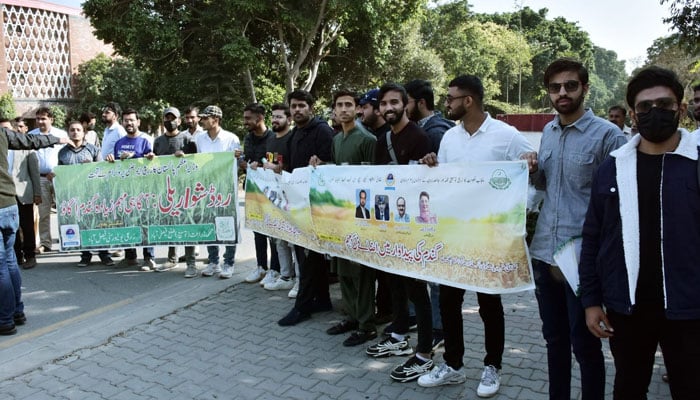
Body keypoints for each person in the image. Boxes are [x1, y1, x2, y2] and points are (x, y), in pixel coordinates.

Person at [580, 66, 700, 400]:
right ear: (633, 114)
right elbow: (593, 237)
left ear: (681, 109)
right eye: (645, 107)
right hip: (628, 308)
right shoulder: (613, 167)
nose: (655, 112)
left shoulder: (695, 162)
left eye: (664, 104)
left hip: (690, 309)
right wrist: (591, 301)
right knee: (629, 387)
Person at [417, 74, 536, 397]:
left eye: (451, 98)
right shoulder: (450, 138)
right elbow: (445, 179)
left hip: (489, 236)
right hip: (455, 234)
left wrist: (529, 164)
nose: (446, 103)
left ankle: (492, 366)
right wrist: (432, 163)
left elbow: (532, 171)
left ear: (468, 101)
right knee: (449, 300)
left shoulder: (506, 135)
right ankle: (453, 365)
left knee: (488, 303)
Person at [528, 58, 627, 400]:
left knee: (584, 347)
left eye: (570, 85)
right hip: (544, 253)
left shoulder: (608, 136)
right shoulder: (548, 132)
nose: (562, 93)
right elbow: (545, 185)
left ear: (585, 88)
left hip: (582, 262)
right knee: (554, 341)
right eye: (555, 88)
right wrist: (532, 170)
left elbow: (617, 208)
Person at [364, 82, 434, 383]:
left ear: (405, 105)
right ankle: (398, 332)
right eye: (384, 103)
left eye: (394, 102)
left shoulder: (420, 136)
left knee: (418, 290)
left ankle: (425, 351)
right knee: (394, 281)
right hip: (390, 225)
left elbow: (430, 183)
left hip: (415, 228)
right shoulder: (383, 139)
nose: (388, 107)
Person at [310, 89, 378, 347]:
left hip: (361, 218)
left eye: (349, 104)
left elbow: (373, 181)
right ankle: (351, 317)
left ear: (358, 108)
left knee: (362, 274)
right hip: (341, 216)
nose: (344, 109)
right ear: (334, 111)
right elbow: (337, 174)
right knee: (344, 271)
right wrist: (321, 165)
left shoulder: (367, 139)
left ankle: (367, 325)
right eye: (339, 105)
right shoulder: (337, 140)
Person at [1, 123, 67, 335]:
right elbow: (29, 140)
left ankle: (5, 319)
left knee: (3, 264)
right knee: (10, 260)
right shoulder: (2, 133)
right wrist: (55, 139)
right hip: (10, 204)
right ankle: (17, 312)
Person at [278, 90, 334, 326]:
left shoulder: (323, 131)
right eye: (294, 106)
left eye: (302, 105)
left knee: (309, 257)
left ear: (311, 107)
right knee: (309, 256)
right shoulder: (293, 135)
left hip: (319, 206)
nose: (297, 110)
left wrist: (322, 165)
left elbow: (334, 164)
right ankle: (321, 300)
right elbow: (289, 168)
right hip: (299, 205)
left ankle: (302, 307)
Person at [146, 107, 197, 277]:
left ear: (179, 120)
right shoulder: (158, 141)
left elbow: (197, 162)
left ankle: (191, 263)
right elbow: (156, 164)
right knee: (170, 224)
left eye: (173, 118)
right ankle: (172, 258)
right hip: (165, 189)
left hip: (185, 190)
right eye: (166, 118)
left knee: (187, 225)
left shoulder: (188, 139)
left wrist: (185, 156)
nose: (170, 121)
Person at [253, 103, 298, 295]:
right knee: (279, 238)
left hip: (292, 196)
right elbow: (266, 159)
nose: (275, 120)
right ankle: (286, 276)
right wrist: (260, 164)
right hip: (274, 197)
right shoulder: (271, 139)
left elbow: (293, 166)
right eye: (273, 116)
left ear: (289, 119)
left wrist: (280, 168)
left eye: (280, 117)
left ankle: (299, 280)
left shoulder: (292, 138)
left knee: (295, 242)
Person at [57, 121, 114, 267]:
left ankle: (104, 254)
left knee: (98, 225)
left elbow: (101, 171)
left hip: (92, 194)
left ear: (84, 132)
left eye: (78, 130)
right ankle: (85, 255)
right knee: (81, 225)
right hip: (75, 195)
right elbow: (61, 174)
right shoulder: (63, 152)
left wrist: (91, 166)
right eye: (72, 130)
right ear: (68, 132)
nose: (75, 132)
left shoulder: (93, 150)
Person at [105, 108, 156, 270]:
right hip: (125, 190)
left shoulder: (145, 140)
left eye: (132, 120)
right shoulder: (119, 143)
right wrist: (111, 159)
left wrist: (150, 158)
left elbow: (155, 163)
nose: (129, 123)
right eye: (126, 120)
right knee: (127, 222)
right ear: (123, 122)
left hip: (143, 189)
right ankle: (130, 256)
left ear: (138, 122)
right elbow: (116, 166)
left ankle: (149, 257)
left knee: (146, 223)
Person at [193, 105, 240, 279]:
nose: (202, 121)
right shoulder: (200, 139)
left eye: (205, 118)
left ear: (216, 119)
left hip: (225, 189)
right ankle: (213, 261)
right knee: (209, 225)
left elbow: (236, 163)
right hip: (206, 189)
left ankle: (229, 262)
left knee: (227, 225)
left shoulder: (231, 138)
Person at [238, 103, 280, 286]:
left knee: (274, 232)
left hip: (271, 191)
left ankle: (276, 269)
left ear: (260, 118)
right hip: (252, 188)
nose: (245, 121)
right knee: (258, 229)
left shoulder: (273, 138)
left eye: (248, 118)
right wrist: (241, 161)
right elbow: (247, 161)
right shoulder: (248, 138)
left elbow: (276, 163)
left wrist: (261, 165)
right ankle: (261, 267)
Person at [28, 107, 67, 253]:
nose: (40, 121)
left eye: (43, 118)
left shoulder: (61, 135)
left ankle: (67, 241)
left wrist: (56, 171)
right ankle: (45, 243)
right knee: (43, 213)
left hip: (59, 177)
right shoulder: (31, 136)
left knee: (65, 211)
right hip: (40, 179)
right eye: (38, 119)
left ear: (51, 119)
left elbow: (66, 156)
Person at [4, 118, 40, 270]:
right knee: (12, 227)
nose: (3, 132)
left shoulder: (25, 147)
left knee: (26, 225)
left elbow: (34, 172)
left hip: (23, 192)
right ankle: (17, 256)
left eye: (6, 129)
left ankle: (30, 255)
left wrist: (37, 193)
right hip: (6, 194)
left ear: (12, 130)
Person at [405, 79, 455, 153]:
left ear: (421, 103)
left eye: (406, 102)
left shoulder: (436, 134)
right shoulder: (420, 127)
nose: (403, 107)